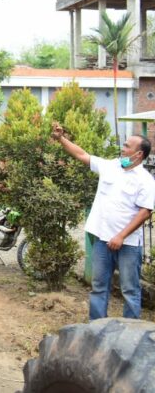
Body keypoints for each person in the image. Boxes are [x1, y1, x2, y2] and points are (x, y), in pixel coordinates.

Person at [52, 122, 155, 319]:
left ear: (138, 155)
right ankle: (96, 328)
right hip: (102, 240)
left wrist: (121, 236)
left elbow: (145, 212)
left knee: (130, 291)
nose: (122, 149)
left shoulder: (146, 180)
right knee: (99, 288)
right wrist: (61, 138)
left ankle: (129, 332)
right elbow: (81, 155)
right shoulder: (111, 166)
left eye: (126, 146)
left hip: (129, 244)